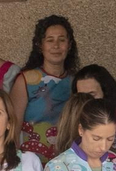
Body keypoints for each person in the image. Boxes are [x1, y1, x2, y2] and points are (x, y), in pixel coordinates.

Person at [18, 14, 78, 161]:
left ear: (69, 45)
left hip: (69, 163)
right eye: (50, 40)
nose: (56, 46)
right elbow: (14, 124)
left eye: (61, 40)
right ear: (40, 45)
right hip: (31, 161)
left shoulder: (77, 81)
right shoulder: (26, 80)